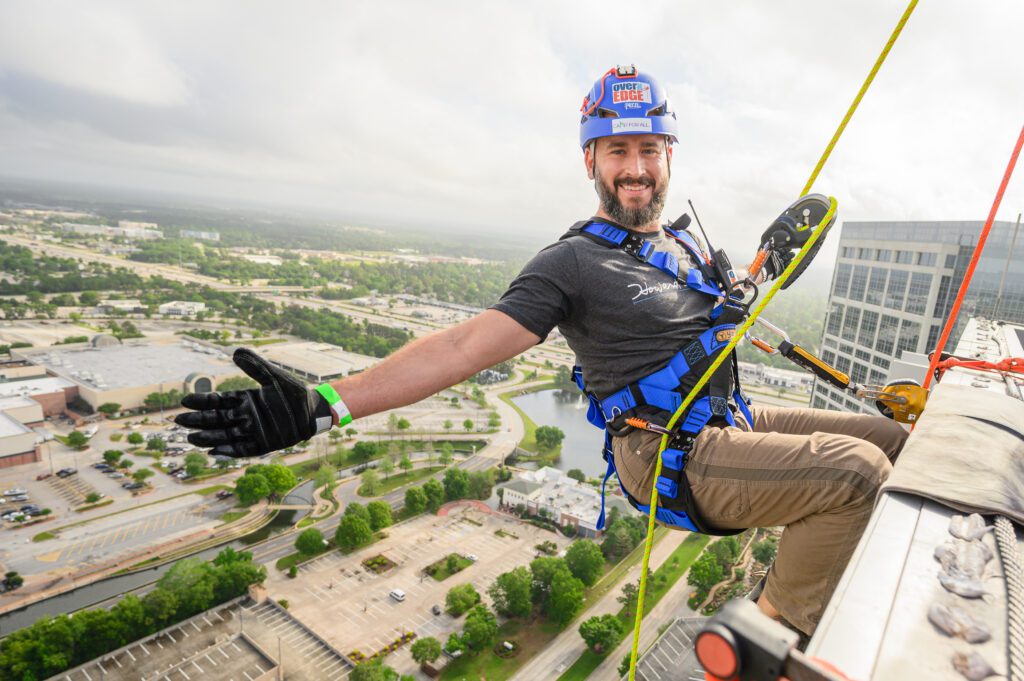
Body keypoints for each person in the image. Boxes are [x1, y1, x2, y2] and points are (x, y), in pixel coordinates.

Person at [177, 65, 906, 639]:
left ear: (668, 155)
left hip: (727, 419)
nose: (635, 167)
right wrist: (326, 403)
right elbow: (463, 346)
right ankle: (767, 635)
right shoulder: (571, 263)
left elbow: (713, 314)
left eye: (648, 148)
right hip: (668, 452)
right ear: (591, 157)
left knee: (896, 443)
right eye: (617, 149)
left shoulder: (683, 242)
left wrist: (758, 266)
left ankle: (827, 582)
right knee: (856, 475)